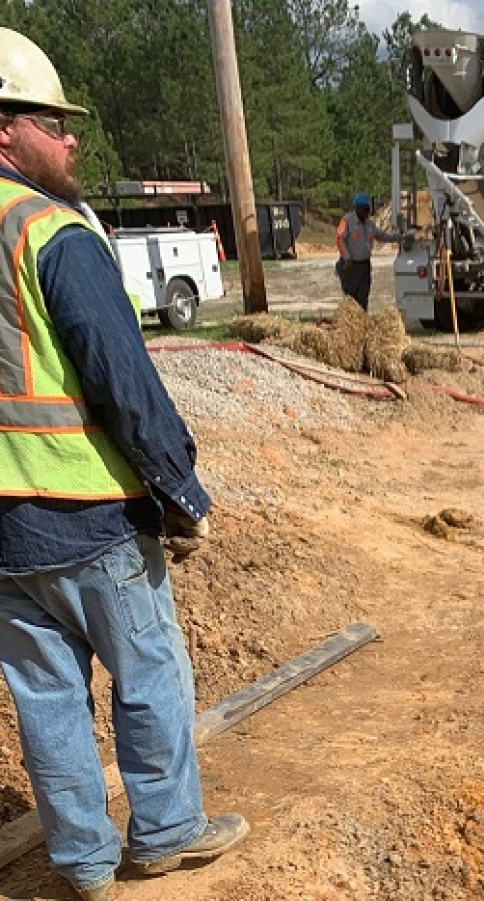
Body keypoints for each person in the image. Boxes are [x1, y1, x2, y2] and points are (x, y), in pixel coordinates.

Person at [0, 28, 248, 900]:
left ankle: (82, 865)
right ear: (4, 130)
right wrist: (179, 490)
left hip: (4, 534)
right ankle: (168, 831)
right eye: (51, 124)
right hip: (86, 506)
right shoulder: (46, 228)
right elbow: (122, 376)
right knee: (147, 674)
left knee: (48, 699)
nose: (69, 140)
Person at [336, 191, 397, 311]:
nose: (367, 212)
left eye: (368, 209)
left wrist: (397, 237)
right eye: (364, 209)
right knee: (351, 299)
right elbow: (340, 239)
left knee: (363, 297)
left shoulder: (370, 224)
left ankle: (363, 322)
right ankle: (351, 324)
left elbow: (382, 236)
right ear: (357, 208)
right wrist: (347, 258)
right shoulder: (347, 221)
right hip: (350, 267)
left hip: (364, 266)